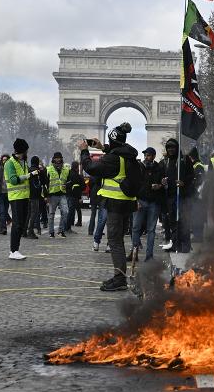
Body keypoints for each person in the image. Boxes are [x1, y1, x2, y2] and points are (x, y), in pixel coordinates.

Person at [79, 122, 138, 291]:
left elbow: (91, 167)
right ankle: (119, 276)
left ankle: (119, 279)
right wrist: (102, 147)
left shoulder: (113, 158)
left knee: (114, 240)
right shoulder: (127, 154)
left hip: (115, 203)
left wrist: (84, 150)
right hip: (127, 202)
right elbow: (116, 152)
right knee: (117, 239)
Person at [4, 138, 37, 260]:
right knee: (17, 224)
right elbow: (13, 180)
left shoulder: (23, 162)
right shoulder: (10, 163)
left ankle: (15, 249)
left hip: (24, 197)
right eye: (26, 150)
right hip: (16, 197)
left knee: (21, 224)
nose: (27, 152)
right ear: (22, 150)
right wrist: (29, 175)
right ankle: (13, 250)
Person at [160, 138, 194, 253]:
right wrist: (162, 182)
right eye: (168, 147)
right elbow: (160, 176)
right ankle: (175, 244)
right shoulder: (165, 161)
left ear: (177, 148)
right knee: (173, 222)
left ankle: (185, 245)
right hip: (170, 197)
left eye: (173, 147)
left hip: (183, 196)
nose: (171, 150)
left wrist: (184, 182)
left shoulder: (185, 159)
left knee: (184, 221)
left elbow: (191, 176)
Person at [129, 147, 163, 262]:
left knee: (151, 230)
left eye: (148, 155)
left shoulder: (159, 167)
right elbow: (134, 184)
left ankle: (149, 256)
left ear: (153, 156)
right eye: (145, 155)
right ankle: (134, 253)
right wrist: (135, 200)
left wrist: (160, 186)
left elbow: (163, 183)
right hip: (141, 200)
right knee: (135, 228)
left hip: (154, 202)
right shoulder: (139, 167)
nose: (146, 157)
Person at [46, 152, 69, 238]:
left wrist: (67, 185)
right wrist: (46, 196)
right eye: (56, 158)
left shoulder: (66, 169)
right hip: (52, 195)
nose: (58, 159)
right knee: (51, 214)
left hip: (62, 194)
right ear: (53, 159)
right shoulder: (49, 169)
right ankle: (51, 232)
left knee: (65, 212)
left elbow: (69, 180)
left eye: (59, 158)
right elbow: (46, 183)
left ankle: (61, 230)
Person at [187, 147, 206, 242]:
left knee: (197, 216)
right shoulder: (194, 165)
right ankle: (196, 234)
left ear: (191, 157)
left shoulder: (198, 166)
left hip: (198, 195)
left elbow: (200, 180)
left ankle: (198, 236)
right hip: (194, 195)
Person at [26, 156, 47, 238]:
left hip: (27, 194)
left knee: (28, 213)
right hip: (36, 195)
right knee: (35, 213)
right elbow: (44, 181)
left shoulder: (28, 170)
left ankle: (25, 230)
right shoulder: (39, 171)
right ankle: (30, 230)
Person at [65, 161, 85, 233]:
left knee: (68, 211)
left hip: (67, 195)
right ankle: (68, 227)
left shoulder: (68, 174)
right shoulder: (77, 176)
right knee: (71, 211)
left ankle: (66, 226)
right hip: (74, 196)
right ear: (77, 168)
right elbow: (83, 187)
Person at [0, 153, 11, 235]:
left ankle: (5, 224)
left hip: (8, 193)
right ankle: (3, 228)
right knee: (1, 211)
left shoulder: (11, 169)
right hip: (0, 193)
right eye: (3, 160)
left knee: (5, 211)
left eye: (6, 160)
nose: (4, 161)